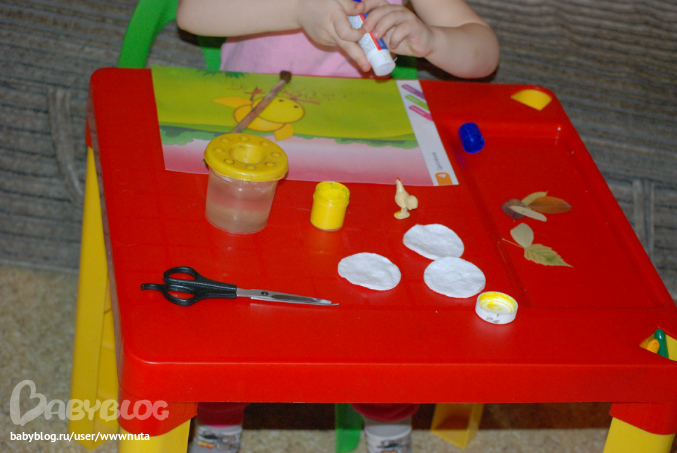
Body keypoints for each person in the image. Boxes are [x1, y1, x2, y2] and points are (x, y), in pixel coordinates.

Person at [176, 1, 499, 451]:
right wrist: (298, 12)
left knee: (382, 304)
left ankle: (388, 421)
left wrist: (433, 41)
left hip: (360, 160)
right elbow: (193, 14)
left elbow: (484, 53)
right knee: (231, 291)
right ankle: (218, 418)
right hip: (253, 153)